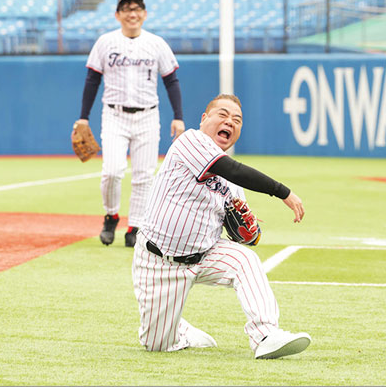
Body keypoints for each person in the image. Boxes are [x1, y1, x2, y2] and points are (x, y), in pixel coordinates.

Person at [132, 94, 311, 359]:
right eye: (223, 115)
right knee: (157, 344)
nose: (230, 122)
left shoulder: (234, 187)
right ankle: (179, 329)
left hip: (205, 255)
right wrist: (282, 191)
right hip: (159, 260)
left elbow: (242, 233)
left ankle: (265, 334)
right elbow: (232, 169)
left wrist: (250, 235)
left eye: (237, 120)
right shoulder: (191, 141)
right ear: (205, 119)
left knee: (246, 259)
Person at [75, 0, 185, 248]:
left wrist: (178, 117)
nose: (132, 13)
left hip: (148, 115)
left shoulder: (157, 44)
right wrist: (83, 117)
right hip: (114, 114)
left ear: (144, 15)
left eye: (137, 8)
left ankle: (135, 226)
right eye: (126, 8)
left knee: (143, 176)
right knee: (112, 171)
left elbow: (171, 80)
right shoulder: (105, 42)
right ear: (117, 15)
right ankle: (111, 215)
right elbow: (92, 80)